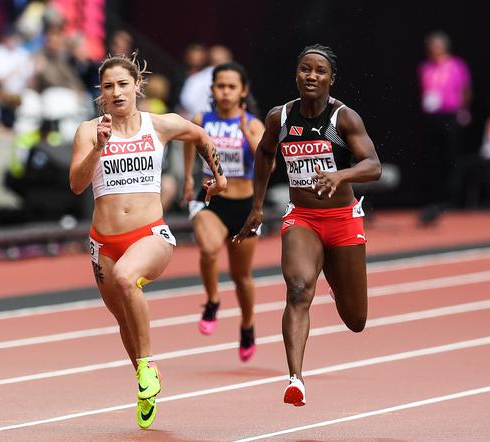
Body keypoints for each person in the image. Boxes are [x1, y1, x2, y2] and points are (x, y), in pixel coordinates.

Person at [70, 52, 227, 429]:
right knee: (125, 320)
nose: (117, 92)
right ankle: (146, 386)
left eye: (123, 84)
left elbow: (201, 134)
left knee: (127, 279)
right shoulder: (89, 131)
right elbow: (77, 185)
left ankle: (147, 365)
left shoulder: (160, 125)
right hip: (103, 243)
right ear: (101, 94)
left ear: (137, 86)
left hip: (150, 235)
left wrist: (218, 177)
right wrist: (98, 147)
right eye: (108, 86)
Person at [233, 44, 381, 406]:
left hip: (343, 220)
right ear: (296, 74)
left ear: (331, 78)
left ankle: (334, 278)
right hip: (302, 217)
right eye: (304, 69)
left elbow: (373, 165)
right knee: (298, 289)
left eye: (319, 71)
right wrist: (256, 207)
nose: (311, 76)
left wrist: (340, 175)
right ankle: (295, 378)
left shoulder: (343, 119)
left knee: (356, 319)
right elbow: (266, 152)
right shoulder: (280, 118)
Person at [182, 62, 264, 362]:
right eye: (220, 86)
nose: (226, 92)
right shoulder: (202, 118)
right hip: (211, 202)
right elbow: (190, 143)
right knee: (208, 248)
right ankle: (213, 299)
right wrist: (190, 179)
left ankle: (247, 325)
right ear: (212, 89)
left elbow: (270, 163)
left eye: (232, 87)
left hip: (245, 206)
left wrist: (247, 134)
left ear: (243, 90)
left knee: (242, 276)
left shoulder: (253, 123)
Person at [417, 31, 472, 225]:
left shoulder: (456, 65)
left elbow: (465, 89)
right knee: (433, 157)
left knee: (451, 157)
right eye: (430, 47)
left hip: (451, 116)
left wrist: (463, 110)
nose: (432, 50)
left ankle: (451, 198)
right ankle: (432, 196)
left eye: (435, 46)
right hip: (433, 116)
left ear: (443, 47)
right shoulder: (425, 67)